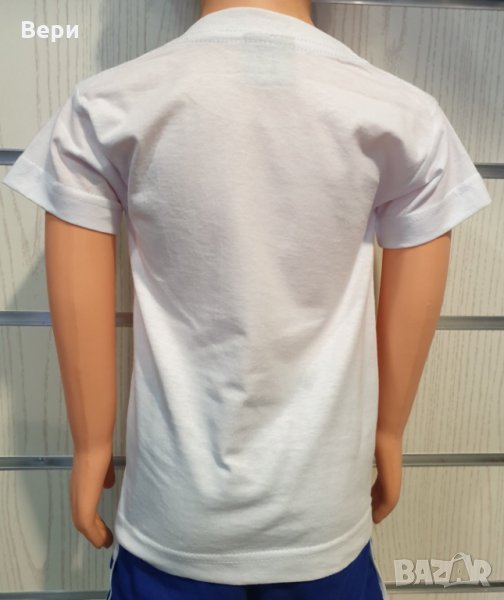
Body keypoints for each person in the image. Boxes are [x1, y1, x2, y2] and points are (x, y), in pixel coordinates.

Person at [1, 0, 492, 598]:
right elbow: (415, 294)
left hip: (175, 516)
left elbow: (78, 305)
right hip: (322, 515)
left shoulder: (108, 107)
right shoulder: (403, 115)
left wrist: (91, 447)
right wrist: (389, 434)